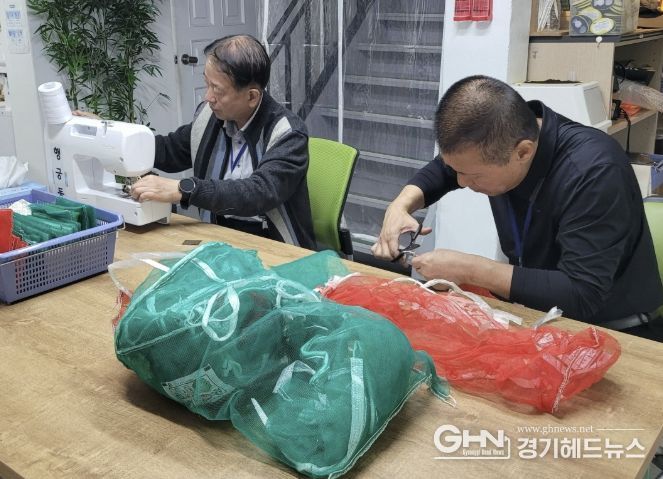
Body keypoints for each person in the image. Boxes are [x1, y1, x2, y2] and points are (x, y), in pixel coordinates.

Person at [372, 75, 663, 340]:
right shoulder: (497, 142)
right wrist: (399, 206)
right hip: (539, 317)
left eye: (473, 176)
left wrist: (469, 269)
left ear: (523, 151)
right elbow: (445, 170)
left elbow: (581, 295)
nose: (460, 181)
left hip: (616, 332)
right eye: (457, 171)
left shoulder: (593, 173)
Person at [129, 34, 315, 248]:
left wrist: (184, 189)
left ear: (252, 97)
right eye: (207, 84)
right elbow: (171, 150)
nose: (208, 97)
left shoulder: (288, 133)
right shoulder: (209, 117)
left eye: (217, 89)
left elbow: (258, 193)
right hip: (218, 235)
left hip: (273, 244)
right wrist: (120, 138)